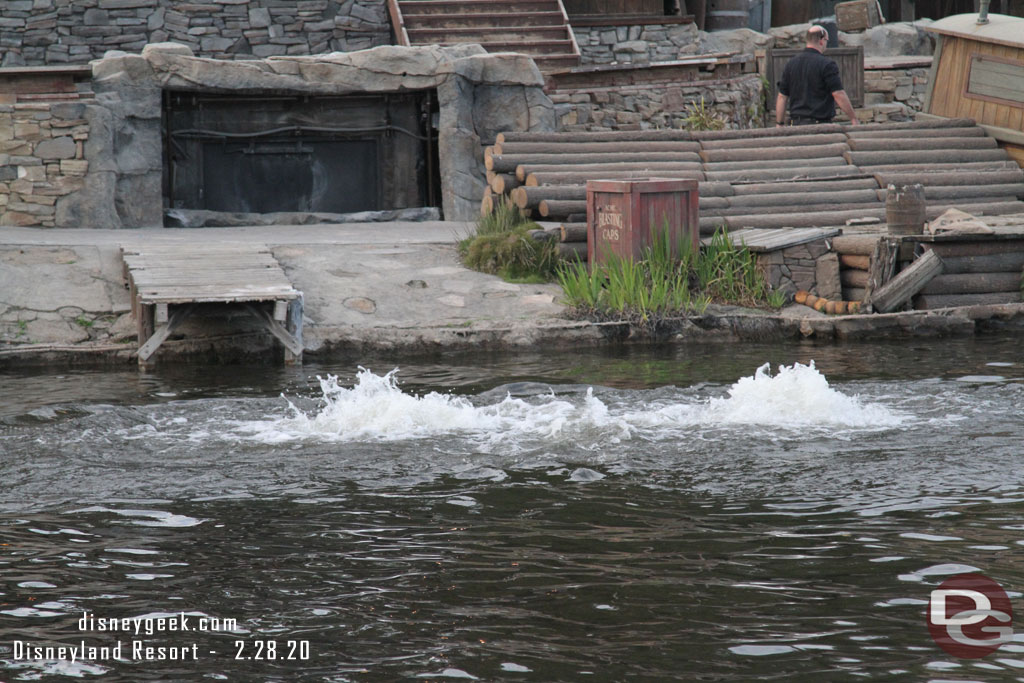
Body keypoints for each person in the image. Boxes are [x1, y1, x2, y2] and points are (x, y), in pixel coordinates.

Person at [775, 25, 859, 127]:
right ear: (821, 40)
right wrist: (853, 119)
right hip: (821, 126)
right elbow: (838, 94)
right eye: (827, 41)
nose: (826, 45)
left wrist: (779, 123)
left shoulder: (791, 64)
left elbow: (782, 97)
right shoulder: (827, 64)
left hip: (796, 125)